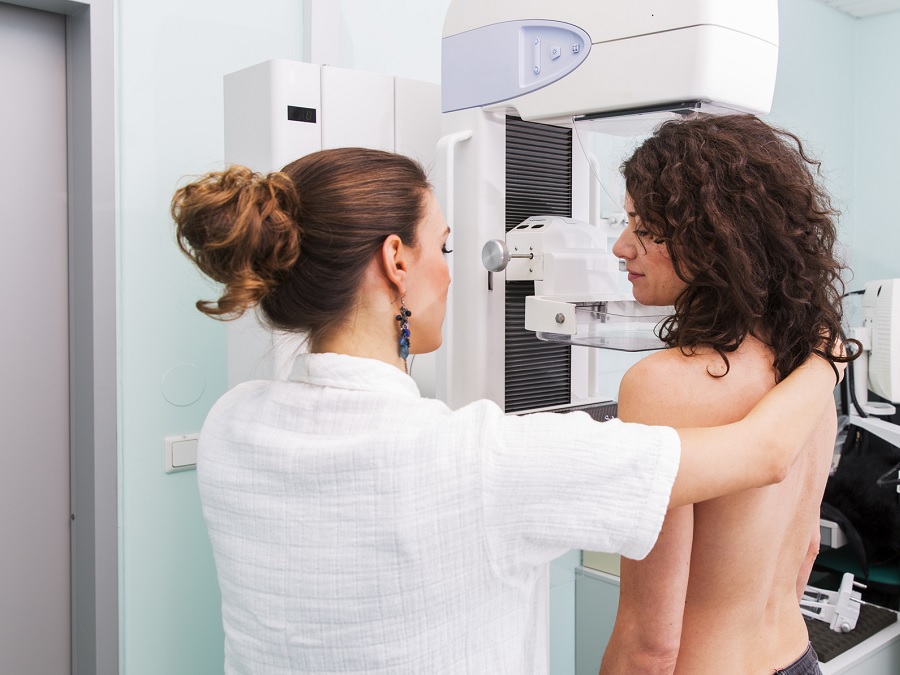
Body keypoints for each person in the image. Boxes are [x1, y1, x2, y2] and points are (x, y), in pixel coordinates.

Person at [170, 147, 846, 674]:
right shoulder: (480, 459)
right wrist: (828, 351)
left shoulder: (230, 424)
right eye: (444, 247)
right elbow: (767, 459)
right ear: (395, 260)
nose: (451, 271)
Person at [599, 114, 854, 675]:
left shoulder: (661, 387)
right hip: (797, 659)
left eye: (643, 227)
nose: (621, 246)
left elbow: (650, 643)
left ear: (712, 237)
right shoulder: (809, 365)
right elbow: (805, 550)